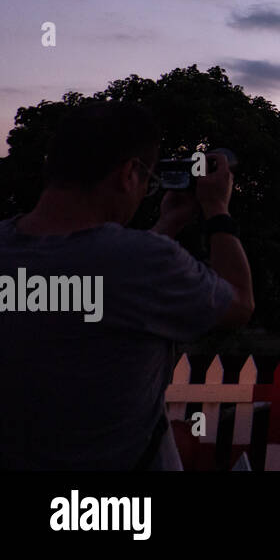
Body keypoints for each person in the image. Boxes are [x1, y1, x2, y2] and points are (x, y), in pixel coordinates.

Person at [0, 101, 254, 469]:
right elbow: (239, 303)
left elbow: (102, 278)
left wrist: (167, 223)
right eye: (146, 179)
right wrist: (217, 209)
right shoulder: (145, 262)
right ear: (129, 173)